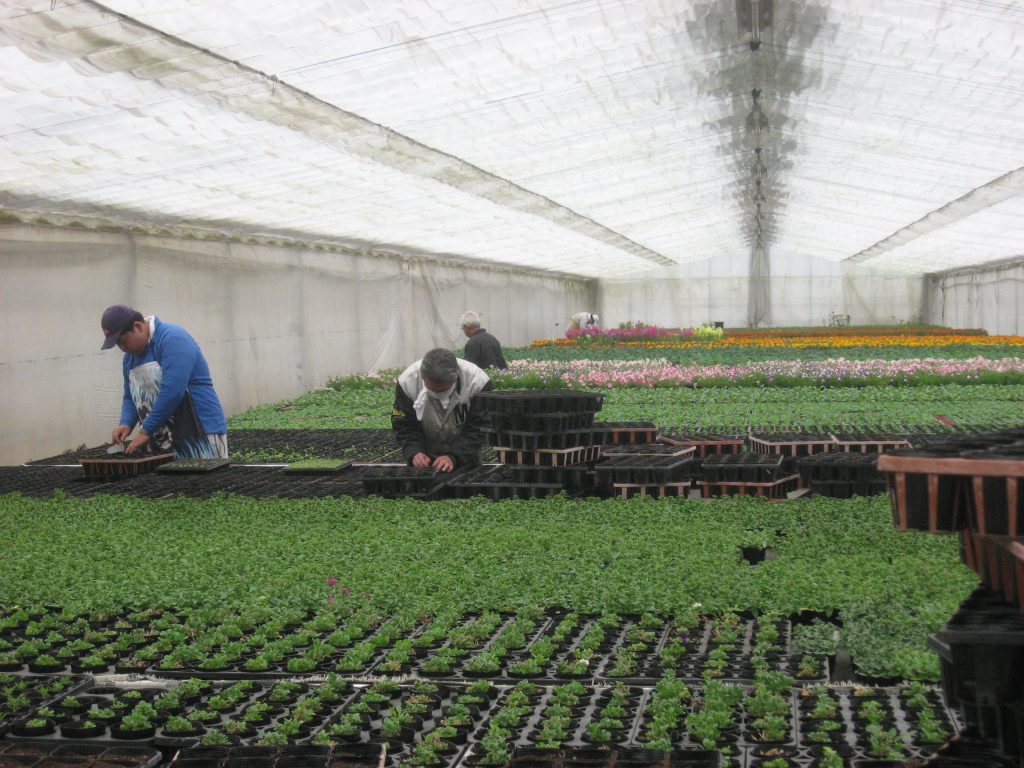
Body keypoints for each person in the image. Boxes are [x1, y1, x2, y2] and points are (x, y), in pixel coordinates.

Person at [100, 304, 228, 459]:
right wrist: (126, 423)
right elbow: (130, 397)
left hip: (202, 432)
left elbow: (172, 391)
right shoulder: (129, 359)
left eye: (123, 341)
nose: (122, 348)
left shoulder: (173, 339)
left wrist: (146, 430)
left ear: (138, 327)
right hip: (163, 439)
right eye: (118, 345)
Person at [391, 347, 492, 472]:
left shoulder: (477, 382)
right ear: (423, 377)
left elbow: (479, 426)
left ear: (455, 378)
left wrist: (454, 457)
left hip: (466, 457)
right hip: (425, 459)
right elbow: (403, 424)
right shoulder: (408, 382)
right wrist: (415, 451)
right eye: (432, 389)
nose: (437, 393)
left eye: (442, 390)